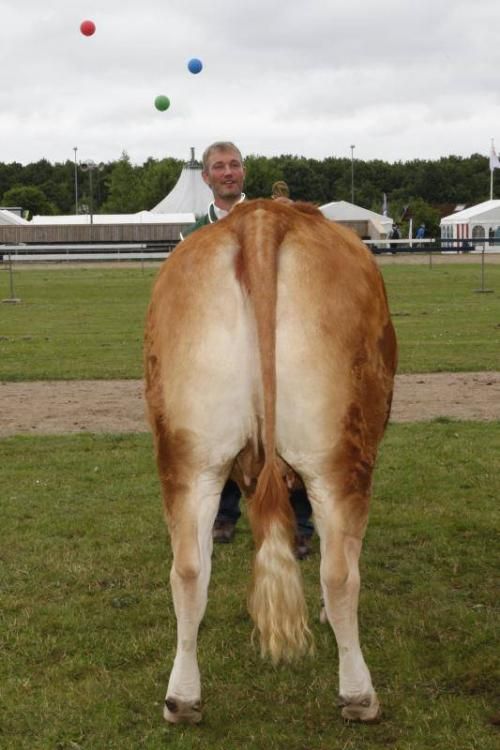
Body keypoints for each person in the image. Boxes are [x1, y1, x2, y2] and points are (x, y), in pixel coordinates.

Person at [181, 141, 314, 558]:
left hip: (278, 339)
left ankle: (302, 521)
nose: (228, 172)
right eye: (219, 167)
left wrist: (290, 219)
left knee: (290, 429)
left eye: (234, 165)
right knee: (220, 432)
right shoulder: (193, 233)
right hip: (222, 345)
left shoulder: (270, 217)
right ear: (206, 178)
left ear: (243, 173)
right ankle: (224, 514)